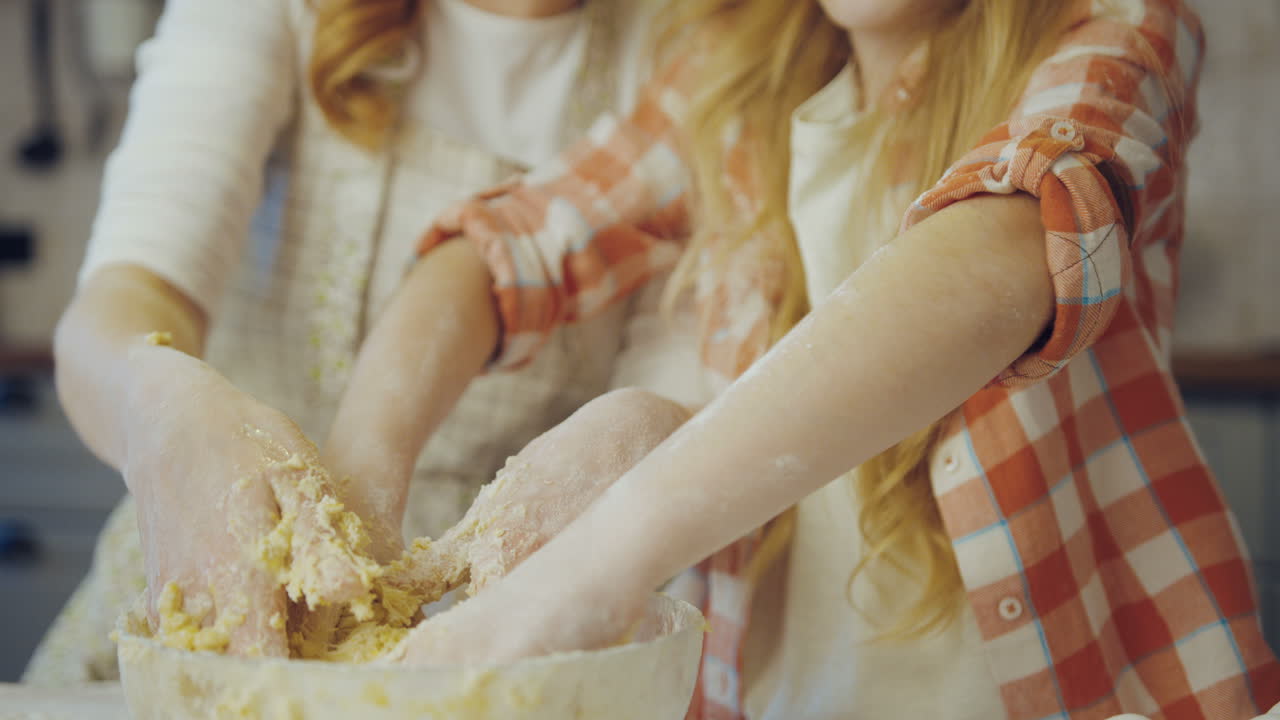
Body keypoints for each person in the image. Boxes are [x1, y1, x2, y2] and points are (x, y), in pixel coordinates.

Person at [342, 0, 1280, 717]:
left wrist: (598, 563)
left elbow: (1008, 248)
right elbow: (506, 250)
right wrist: (356, 487)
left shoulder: (1116, 29)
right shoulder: (738, 73)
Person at [25, 0, 658, 684]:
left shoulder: (690, 53)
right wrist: (161, 408)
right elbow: (120, 306)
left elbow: (671, 403)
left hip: (496, 631)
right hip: (205, 583)